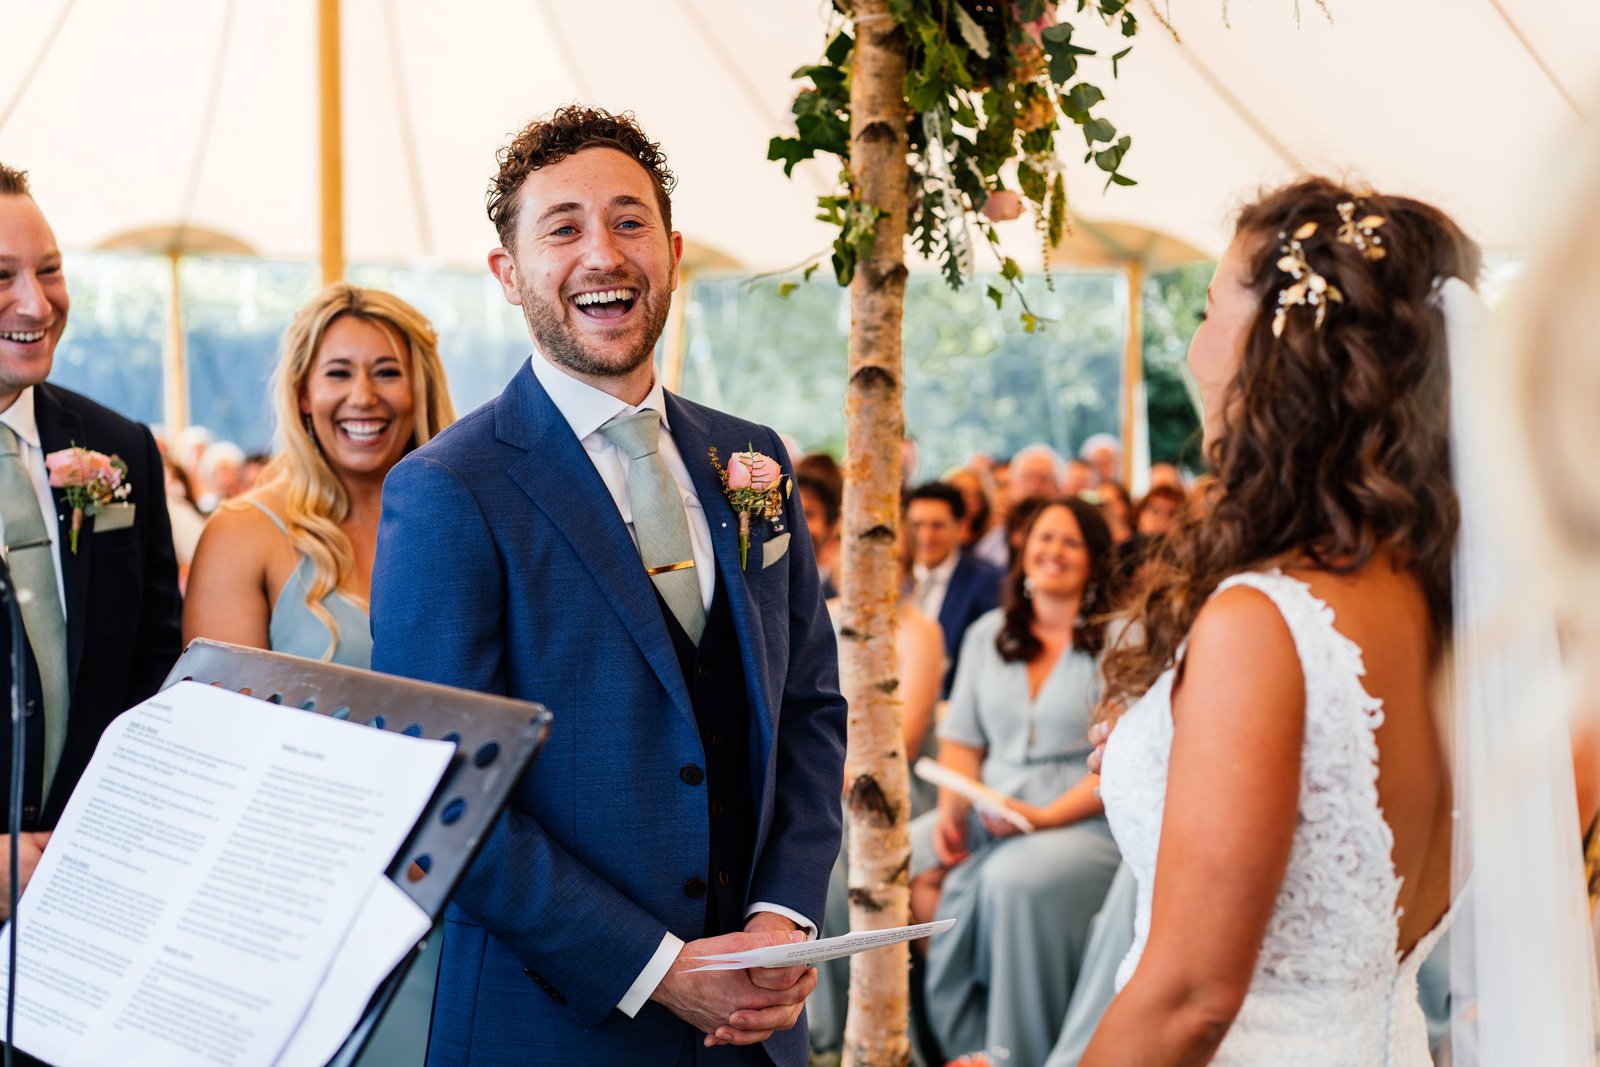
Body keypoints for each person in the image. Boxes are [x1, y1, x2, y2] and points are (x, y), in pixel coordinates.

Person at [369, 106, 846, 1065]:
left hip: (754, 1031)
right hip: (551, 1025)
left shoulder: (751, 459)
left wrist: (782, 914)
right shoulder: (449, 489)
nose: (604, 254)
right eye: (564, 228)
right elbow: (437, 788)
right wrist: (655, 968)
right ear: (508, 273)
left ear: (671, 252)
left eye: (630, 223)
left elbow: (809, 706)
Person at [1082, 178, 1474, 1064]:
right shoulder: (1464, 615)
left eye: (1211, 308)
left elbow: (1188, 999)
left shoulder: (1266, 623)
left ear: (1277, 350)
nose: (1192, 346)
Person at [0, 163, 181, 916]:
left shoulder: (118, 447)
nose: (37, 303)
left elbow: (155, 661)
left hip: (92, 883)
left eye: (50, 270)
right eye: (2, 275)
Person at [907, 497, 1121, 1067]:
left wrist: (1043, 819)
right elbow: (963, 741)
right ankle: (912, 1037)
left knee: (1011, 883)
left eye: (1071, 542)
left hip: (1086, 818)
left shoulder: (1123, 635)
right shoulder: (987, 634)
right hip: (988, 805)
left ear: (1096, 559)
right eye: (1044, 538)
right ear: (1023, 547)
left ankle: (1011, 1053)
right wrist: (953, 808)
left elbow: (1125, 759)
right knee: (897, 855)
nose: (1053, 551)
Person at [183, 283, 456, 666]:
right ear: (303, 394)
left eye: (387, 373)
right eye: (339, 373)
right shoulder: (240, 534)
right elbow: (218, 716)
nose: (362, 396)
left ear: (419, 389)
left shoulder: (467, 519)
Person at [905, 481, 1005, 696]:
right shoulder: (893, 574)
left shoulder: (986, 581)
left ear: (960, 527)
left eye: (937, 526)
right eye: (917, 525)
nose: (925, 536)